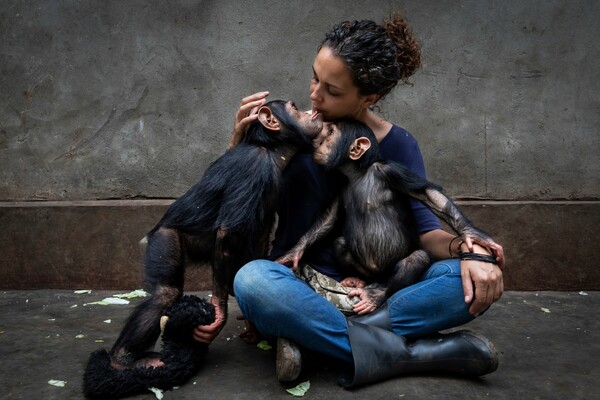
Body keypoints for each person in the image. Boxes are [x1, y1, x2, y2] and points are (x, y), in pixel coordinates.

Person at [195, 13, 505, 387]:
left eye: (333, 91)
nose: (314, 95)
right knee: (253, 281)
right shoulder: (291, 131)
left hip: (376, 293)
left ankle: (315, 342)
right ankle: (408, 353)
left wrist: (473, 253)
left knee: (460, 282)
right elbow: (235, 218)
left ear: (368, 97)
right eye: (315, 77)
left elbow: (426, 235)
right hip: (298, 289)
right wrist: (238, 149)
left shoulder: (399, 146)